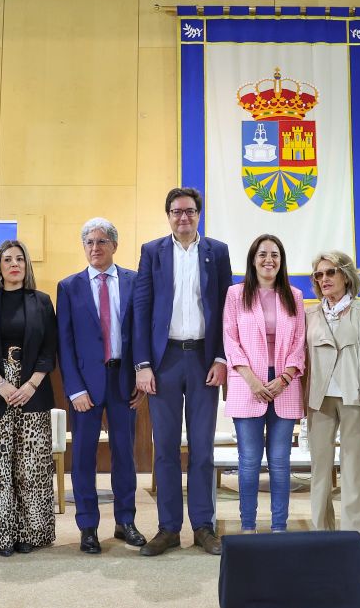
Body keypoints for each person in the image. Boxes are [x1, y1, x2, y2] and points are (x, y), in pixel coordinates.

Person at [133, 187, 232, 556]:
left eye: (189, 211)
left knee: (203, 449)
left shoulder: (217, 252)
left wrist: (221, 358)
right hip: (165, 361)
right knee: (165, 449)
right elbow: (141, 309)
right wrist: (142, 364)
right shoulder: (152, 252)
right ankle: (169, 528)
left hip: (204, 358)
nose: (183, 217)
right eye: (176, 211)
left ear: (198, 214)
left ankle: (203, 526)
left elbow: (226, 309)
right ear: (168, 216)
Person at [57, 218, 146, 554]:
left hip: (124, 380)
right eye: (89, 242)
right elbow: (65, 344)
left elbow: (141, 333)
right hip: (86, 386)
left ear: (114, 246)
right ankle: (88, 527)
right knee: (83, 457)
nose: (95, 248)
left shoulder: (135, 282)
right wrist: (74, 389)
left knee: (125, 455)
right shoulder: (69, 286)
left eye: (102, 241)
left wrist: (141, 375)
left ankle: (125, 522)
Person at [0, 240, 57, 556]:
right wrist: (0, 382)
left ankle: (29, 534)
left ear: (26, 265)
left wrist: (30, 385)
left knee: (30, 468)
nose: (14, 264)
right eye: (8, 259)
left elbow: (50, 348)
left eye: (19, 259)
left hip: (33, 393)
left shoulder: (42, 302)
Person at [222, 234, 305, 533]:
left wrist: (284, 378)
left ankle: (279, 527)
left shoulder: (294, 295)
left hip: (285, 383)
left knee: (280, 460)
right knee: (249, 460)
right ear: (253, 260)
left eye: (275, 255)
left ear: (281, 261)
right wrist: (252, 380)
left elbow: (299, 342)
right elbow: (230, 340)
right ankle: (248, 527)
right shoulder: (236, 294)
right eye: (262, 254)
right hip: (247, 383)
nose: (269, 260)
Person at [305, 250, 360, 536]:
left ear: (346, 275)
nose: (324, 278)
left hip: (356, 398)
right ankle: (321, 535)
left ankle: (353, 537)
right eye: (319, 274)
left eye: (331, 272)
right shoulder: (310, 314)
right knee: (319, 470)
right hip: (319, 401)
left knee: (353, 470)